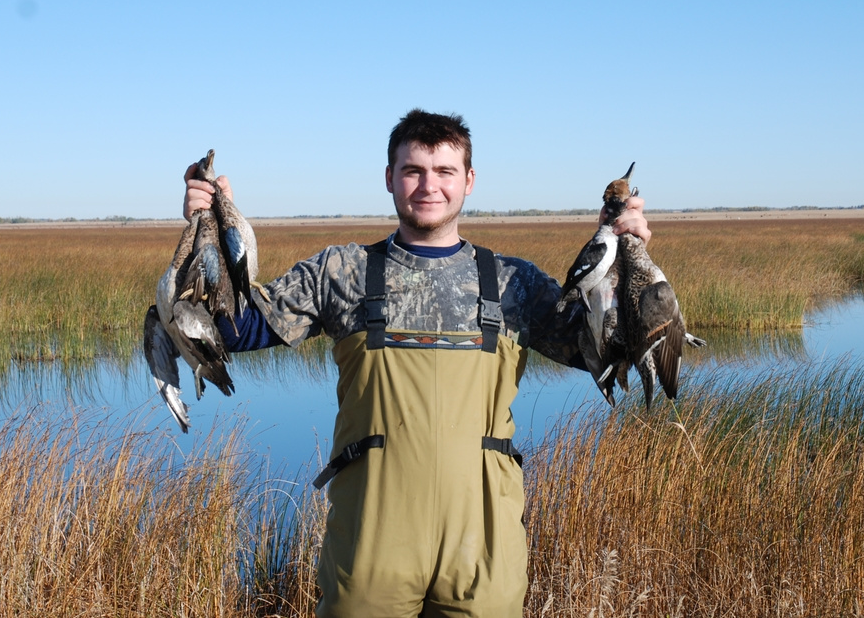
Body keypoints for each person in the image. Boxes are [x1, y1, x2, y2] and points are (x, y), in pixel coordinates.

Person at [183, 109, 651, 618]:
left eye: (445, 171)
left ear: (469, 181)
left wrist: (622, 253)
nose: (429, 185)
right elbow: (230, 329)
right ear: (390, 178)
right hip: (369, 551)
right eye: (413, 170)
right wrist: (206, 229)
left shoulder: (516, 284)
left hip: (483, 552)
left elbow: (612, 353)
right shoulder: (342, 272)